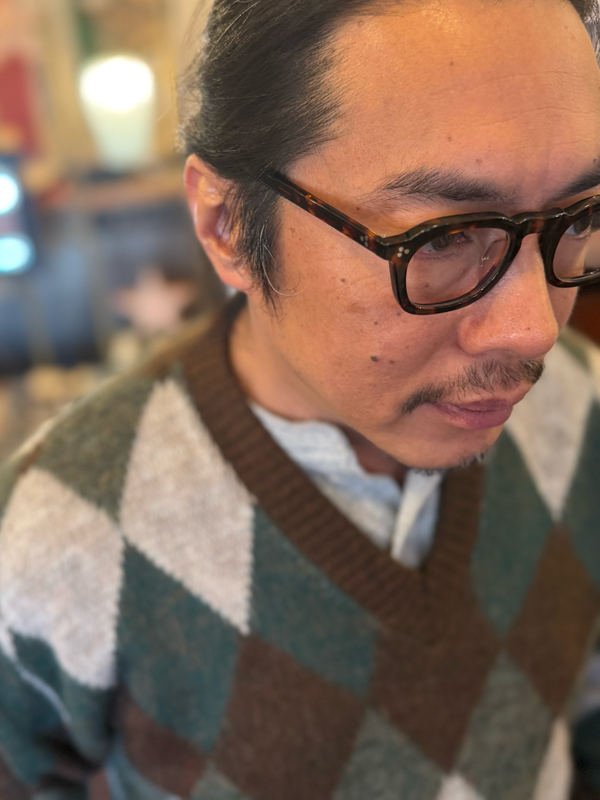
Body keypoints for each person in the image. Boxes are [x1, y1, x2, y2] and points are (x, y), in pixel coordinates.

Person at [1, 0, 600, 797]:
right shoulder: (59, 531)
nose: (534, 331)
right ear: (226, 224)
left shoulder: (584, 404)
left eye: (580, 217)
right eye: (445, 238)